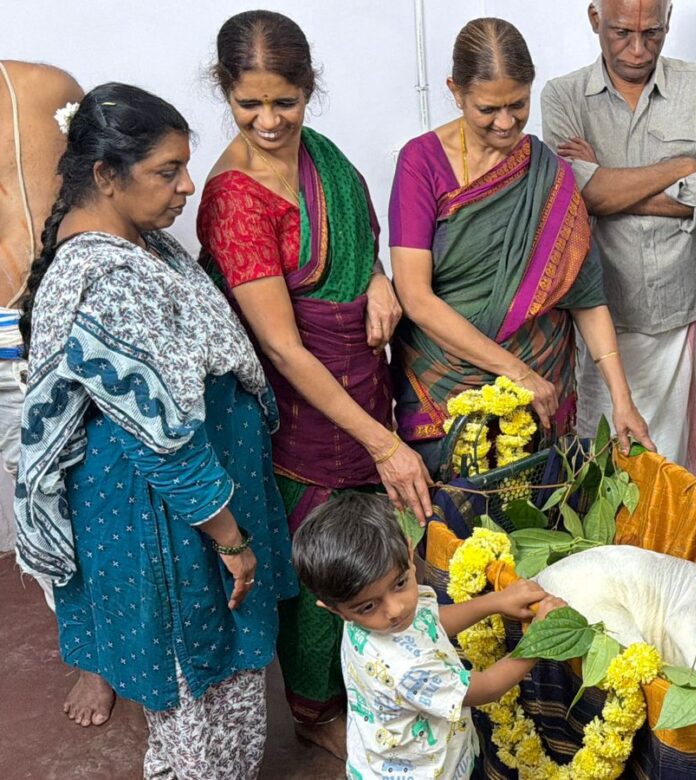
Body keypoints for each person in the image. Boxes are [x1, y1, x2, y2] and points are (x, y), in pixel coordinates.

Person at [15, 83, 296, 778]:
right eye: (167, 172)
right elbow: (162, 440)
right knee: (204, 702)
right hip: (171, 527)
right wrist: (232, 541)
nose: (187, 187)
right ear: (106, 176)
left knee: (196, 708)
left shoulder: (133, 247)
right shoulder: (108, 278)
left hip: (174, 519)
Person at [197, 11, 432, 753]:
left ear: (310, 89)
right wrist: (383, 442)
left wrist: (382, 282)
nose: (269, 120)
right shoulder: (235, 199)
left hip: (364, 380)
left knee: (384, 546)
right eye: (249, 103)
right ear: (225, 92)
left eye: (285, 101)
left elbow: (359, 251)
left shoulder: (323, 157)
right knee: (320, 555)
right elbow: (284, 348)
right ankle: (318, 710)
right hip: (300, 411)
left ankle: (385, 678)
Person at [390, 17, 652, 473]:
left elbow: (586, 299)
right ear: (456, 91)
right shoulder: (422, 162)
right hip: (445, 387)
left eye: (519, 104)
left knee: (543, 526)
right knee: (453, 528)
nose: (506, 122)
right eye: (488, 109)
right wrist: (516, 372)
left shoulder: (549, 175)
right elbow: (415, 296)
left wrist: (623, 402)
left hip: (542, 391)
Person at [540, 0, 696, 481]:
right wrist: (678, 168)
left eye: (653, 33)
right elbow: (578, 194)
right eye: (622, 32)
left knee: (668, 467)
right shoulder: (563, 96)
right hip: (598, 316)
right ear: (594, 19)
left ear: (669, 23)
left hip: (675, 315)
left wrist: (607, 185)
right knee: (599, 467)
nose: (637, 48)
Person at [0, 60, 118, 730]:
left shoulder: (46, 89)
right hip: (1, 345)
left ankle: (126, 638)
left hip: (68, 322)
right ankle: (90, 656)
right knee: (35, 508)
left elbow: (111, 183)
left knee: (99, 488)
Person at [291, 492, 565, 779]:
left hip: (390, 757)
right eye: (369, 606)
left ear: (409, 554)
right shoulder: (407, 666)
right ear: (335, 611)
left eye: (399, 583)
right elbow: (485, 687)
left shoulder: (371, 613)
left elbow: (431, 623)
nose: (395, 609)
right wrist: (539, 640)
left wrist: (495, 602)